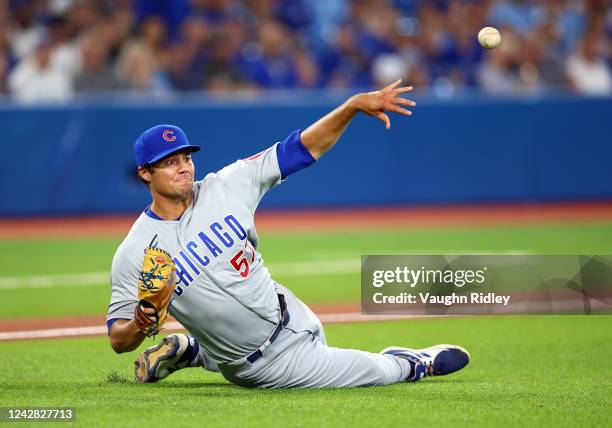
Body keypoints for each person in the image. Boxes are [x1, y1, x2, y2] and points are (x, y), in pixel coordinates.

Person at [107, 79, 470, 388]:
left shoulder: (228, 184)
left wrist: (351, 107)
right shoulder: (135, 251)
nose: (183, 167)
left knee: (235, 327)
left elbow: (298, 149)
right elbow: (118, 339)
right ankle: (416, 362)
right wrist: (141, 322)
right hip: (263, 365)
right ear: (144, 173)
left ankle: (193, 351)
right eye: (170, 163)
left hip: (292, 312)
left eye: (185, 157)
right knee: (375, 371)